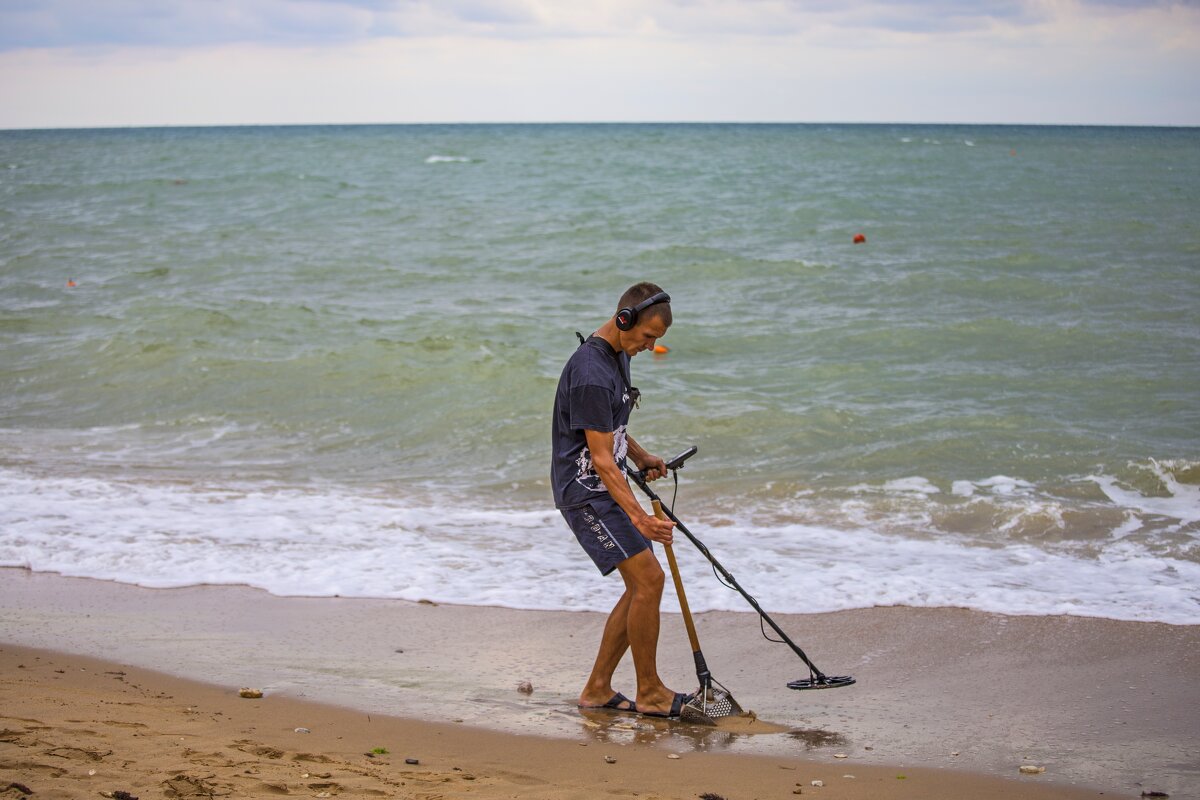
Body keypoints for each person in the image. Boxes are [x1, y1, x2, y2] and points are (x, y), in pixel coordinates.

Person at [550, 281, 691, 718]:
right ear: (624, 320)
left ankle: (597, 689)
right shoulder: (591, 371)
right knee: (649, 581)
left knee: (641, 585)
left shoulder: (616, 356)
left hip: (603, 485)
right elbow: (601, 460)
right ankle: (649, 692)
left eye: (657, 341)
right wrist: (641, 519)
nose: (650, 346)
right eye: (647, 336)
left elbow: (609, 430)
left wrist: (643, 454)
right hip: (586, 490)